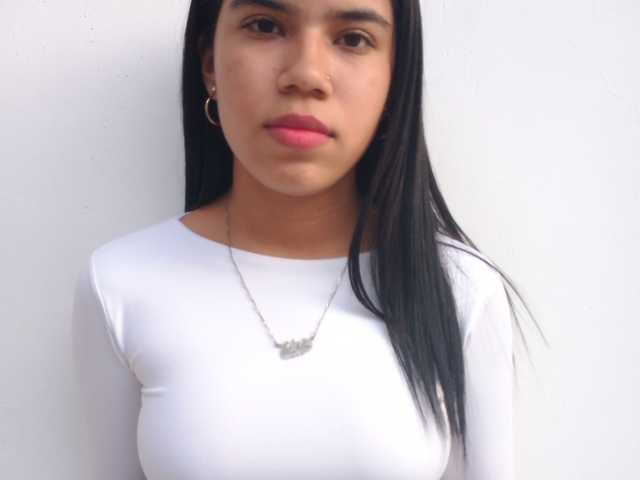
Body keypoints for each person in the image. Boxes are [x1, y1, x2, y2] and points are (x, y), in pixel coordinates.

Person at [72, 0, 542, 478]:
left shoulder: (460, 289)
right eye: (265, 26)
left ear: (394, 78)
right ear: (209, 63)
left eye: (353, 38)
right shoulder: (122, 283)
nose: (306, 74)